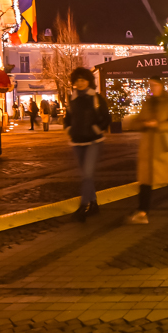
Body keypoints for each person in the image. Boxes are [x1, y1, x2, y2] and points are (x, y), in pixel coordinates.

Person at [129, 78, 168, 223]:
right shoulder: (147, 103)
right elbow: (139, 120)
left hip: (166, 148)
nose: (152, 88)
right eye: (150, 85)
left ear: (161, 86)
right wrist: (141, 123)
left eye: (155, 85)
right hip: (148, 148)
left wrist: (157, 124)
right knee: (145, 180)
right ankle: (142, 211)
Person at [63, 67, 111, 221]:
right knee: (86, 176)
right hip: (77, 142)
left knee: (87, 175)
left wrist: (97, 129)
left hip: (93, 141)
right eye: (77, 80)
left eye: (83, 80)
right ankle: (94, 204)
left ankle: (83, 206)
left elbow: (106, 117)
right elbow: (68, 117)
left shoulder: (96, 98)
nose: (80, 83)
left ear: (89, 81)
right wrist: (69, 129)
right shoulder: (73, 99)